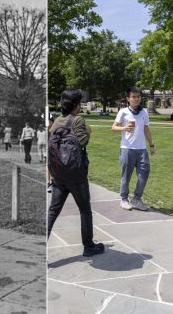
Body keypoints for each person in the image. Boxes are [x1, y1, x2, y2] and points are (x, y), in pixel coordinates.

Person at [47, 90, 104, 257]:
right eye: (79, 103)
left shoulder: (56, 121)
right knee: (85, 210)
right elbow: (83, 141)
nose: (80, 106)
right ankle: (88, 246)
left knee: (53, 211)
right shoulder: (78, 120)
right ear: (75, 105)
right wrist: (87, 130)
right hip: (76, 175)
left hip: (58, 174)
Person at [112, 86, 155, 211]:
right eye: (133, 97)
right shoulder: (123, 112)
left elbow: (146, 129)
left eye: (138, 96)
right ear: (128, 98)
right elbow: (113, 128)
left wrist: (151, 145)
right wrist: (123, 128)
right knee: (126, 175)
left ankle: (136, 199)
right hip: (127, 148)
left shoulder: (144, 112)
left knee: (144, 174)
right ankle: (124, 199)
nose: (136, 99)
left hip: (142, 149)